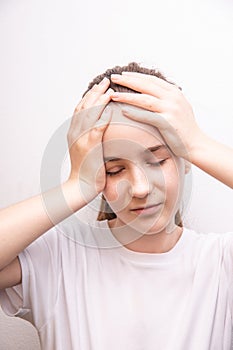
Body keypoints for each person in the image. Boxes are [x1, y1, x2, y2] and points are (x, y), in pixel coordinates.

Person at [0, 62, 232, 350]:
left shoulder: (221, 263)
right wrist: (77, 185)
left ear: (185, 160)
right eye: (114, 170)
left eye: (157, 160)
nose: (141, 188)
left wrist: (198, 144)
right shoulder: (59, 256)